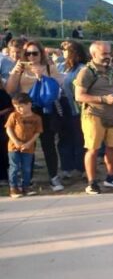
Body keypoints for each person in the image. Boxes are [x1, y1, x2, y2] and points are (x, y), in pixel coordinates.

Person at [5, 39, 65, 191]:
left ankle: (53, 177)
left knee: (48, 144)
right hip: (26, 111)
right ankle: (27, 179)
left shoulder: (49, 66)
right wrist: (15, 72)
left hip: (45, 109)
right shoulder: (21, 68)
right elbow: (10, 90)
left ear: (41, 53)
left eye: (34, 53)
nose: (31, 57)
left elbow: (59, 85)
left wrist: (43, 77)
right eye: (27, 53)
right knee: (27, 144)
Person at [74, 41, 113, 194]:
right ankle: (92, 182)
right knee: (92, 149)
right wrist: (104, 99)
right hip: (93, 115)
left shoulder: (112, 71)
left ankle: (112, 177)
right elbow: (79, 96)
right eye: (104, 54)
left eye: (108, 53)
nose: (108, 56)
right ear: (93, 54)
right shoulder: (86, 72)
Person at [57, 40, 89, 180]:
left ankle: (81, 167)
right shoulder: (60, 67)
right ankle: (66, 167)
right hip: (60, 106)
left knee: (79, 137)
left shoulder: (82, 68)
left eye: (66, 50)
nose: (63, 52)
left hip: (76, 106)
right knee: (64, 137)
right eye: (62, 49)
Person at [5, 93, 43, 198]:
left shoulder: (36, 118)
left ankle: (26, 187)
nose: (19, 109)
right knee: (14, 167)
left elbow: (37, 132)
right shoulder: (14, 115)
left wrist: (28, 143)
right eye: (16, 107)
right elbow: (9, 129)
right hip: (13, 146)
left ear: (29, 104)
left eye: (21, 107)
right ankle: (14, 188)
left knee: (26, 167)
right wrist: (16, 142)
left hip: (28, 147)